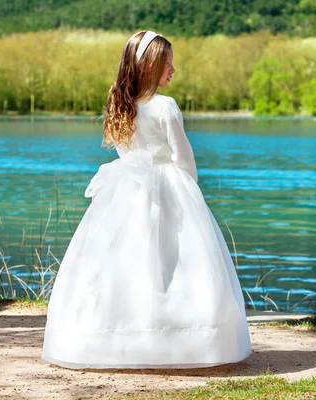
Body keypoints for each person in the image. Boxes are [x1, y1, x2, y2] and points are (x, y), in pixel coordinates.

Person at [41, 30, 252, 369]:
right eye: (168, 64)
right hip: (168, 189)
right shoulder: (166, 106)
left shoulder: (119, 104)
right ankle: (180, 341)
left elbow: (127, 151)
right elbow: (184, 160)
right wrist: (190, 194)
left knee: (124, 264)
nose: (173, 70)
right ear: (152, 67)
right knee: (175, 266)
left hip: (124, 192)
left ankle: (115, 339)